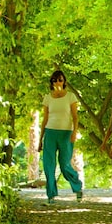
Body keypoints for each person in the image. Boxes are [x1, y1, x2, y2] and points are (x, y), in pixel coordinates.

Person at [38, 70, 84, 204]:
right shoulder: (47, 98)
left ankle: (77, 187)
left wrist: (74, 132)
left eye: (60, 80)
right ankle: (51, 195)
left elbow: (75, 117)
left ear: (64, 82)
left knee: (64, 165)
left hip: (66, 133)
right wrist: (40, 139)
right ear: (51, 82)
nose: (58, 82)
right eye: (55, 80)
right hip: (50, 133)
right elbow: (44, 119)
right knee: (49, 165)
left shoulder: (70, 97)